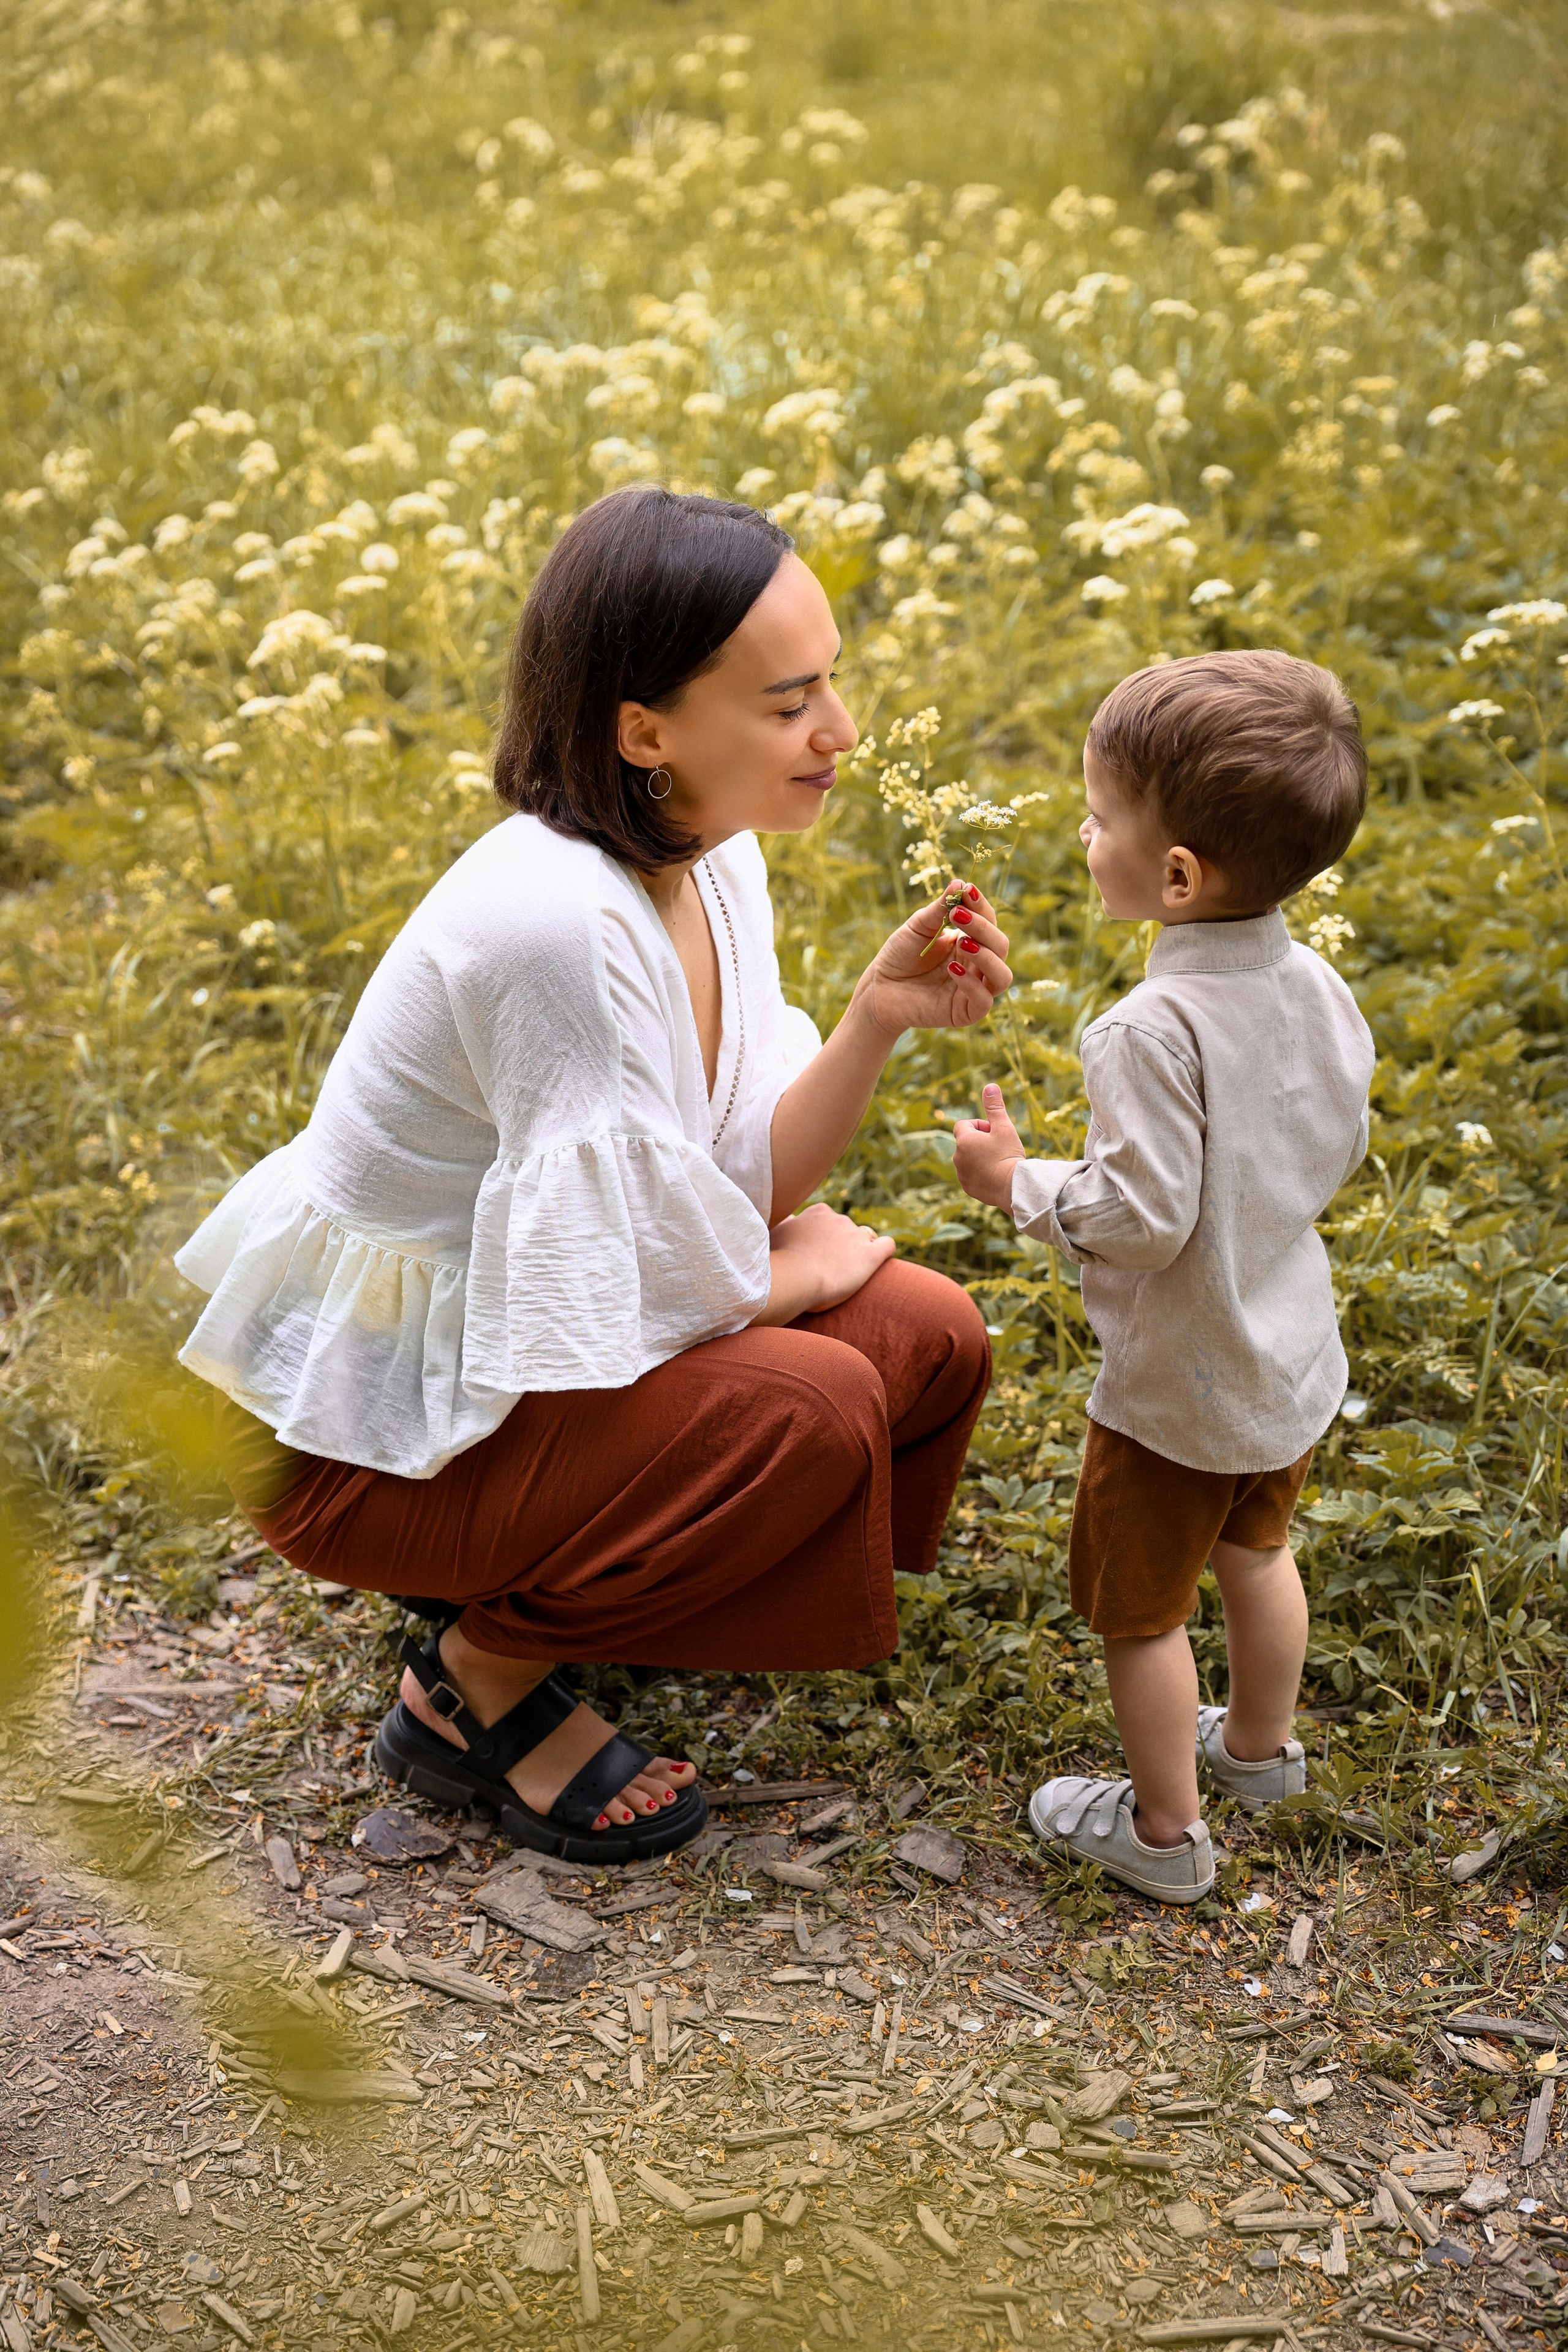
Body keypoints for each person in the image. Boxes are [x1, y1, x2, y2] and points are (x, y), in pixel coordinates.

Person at [175, 486, 1012, 1866]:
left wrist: (870, 1018)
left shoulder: (708, 852)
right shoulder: (555, 926)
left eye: (832, 685)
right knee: (807, 1405)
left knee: (925, 1336)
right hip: (365, 1443)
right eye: (789, 700)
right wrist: (789, 1275)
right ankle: (470, 1687)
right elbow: (598, 1310)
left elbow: (724, 1177)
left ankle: (611, 1590)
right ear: (644, 731)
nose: (839, 733)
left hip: (497, 1378)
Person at [952, 649, 1374, 1903]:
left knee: (1138, 1613)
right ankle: (1255, 1753)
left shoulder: (1148, 1030)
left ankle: (1160, 1835)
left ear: (1175, 875)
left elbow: (1136, 1222)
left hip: (1176, 1395)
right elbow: (1332, 1140)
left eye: (1095, 819)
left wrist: (1017, 1183)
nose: (1084, 837)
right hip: (1285, 1356)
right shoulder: (1316, 984)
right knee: (1256, 1553)